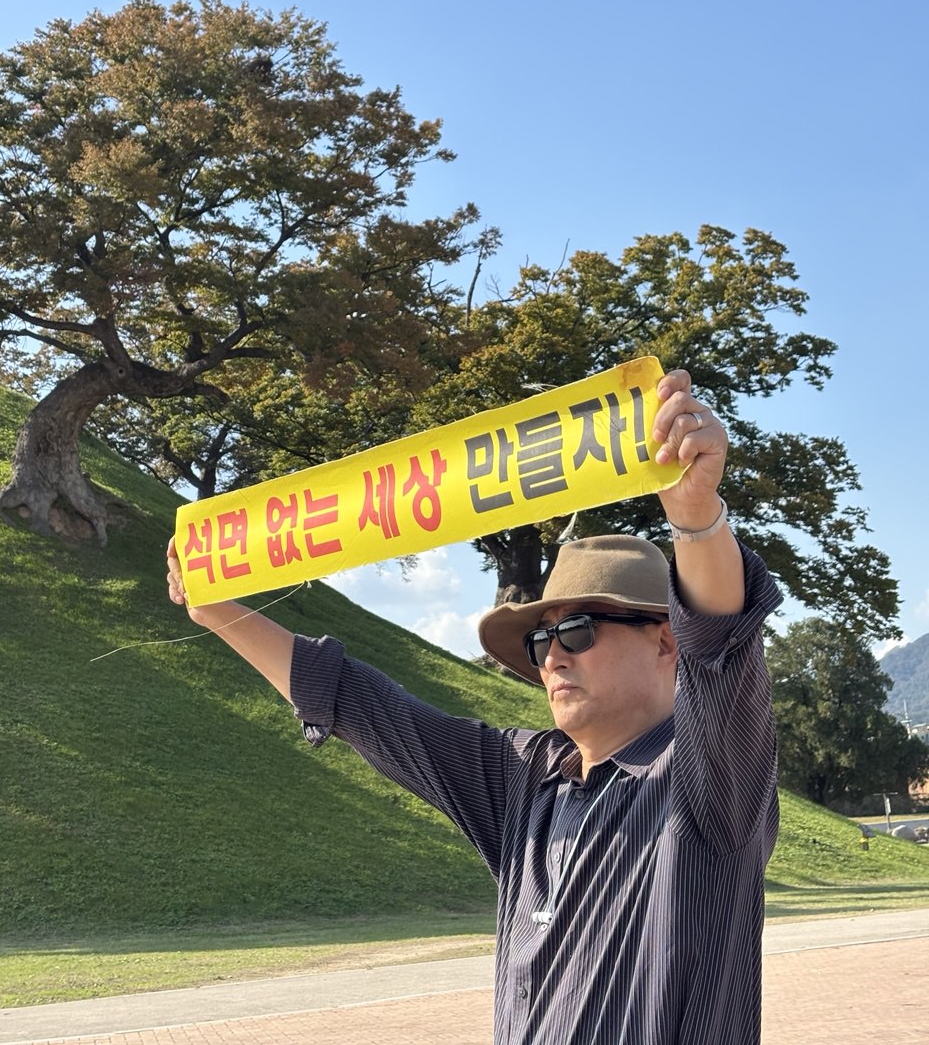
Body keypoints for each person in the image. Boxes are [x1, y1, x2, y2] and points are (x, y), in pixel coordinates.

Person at [166, 369, 782, 1044]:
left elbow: (720, 649)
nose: (552, 657)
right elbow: (359, 703)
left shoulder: (711, 778)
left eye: (578, 631)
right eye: (541, 639)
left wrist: (697, 518)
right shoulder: (525, 778)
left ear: (665, 641)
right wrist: (215, 610)